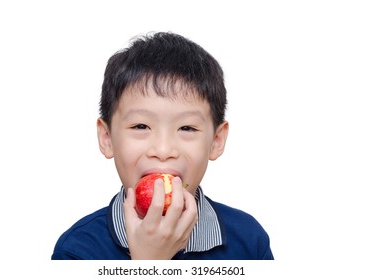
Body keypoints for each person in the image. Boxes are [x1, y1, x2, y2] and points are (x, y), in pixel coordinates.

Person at [51, 32, 274, 260]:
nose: (164, 150)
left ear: (216, 141)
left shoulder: (249, 242)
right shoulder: (77, 250)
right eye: (140, 126)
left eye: (187, 128)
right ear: (107, 138)